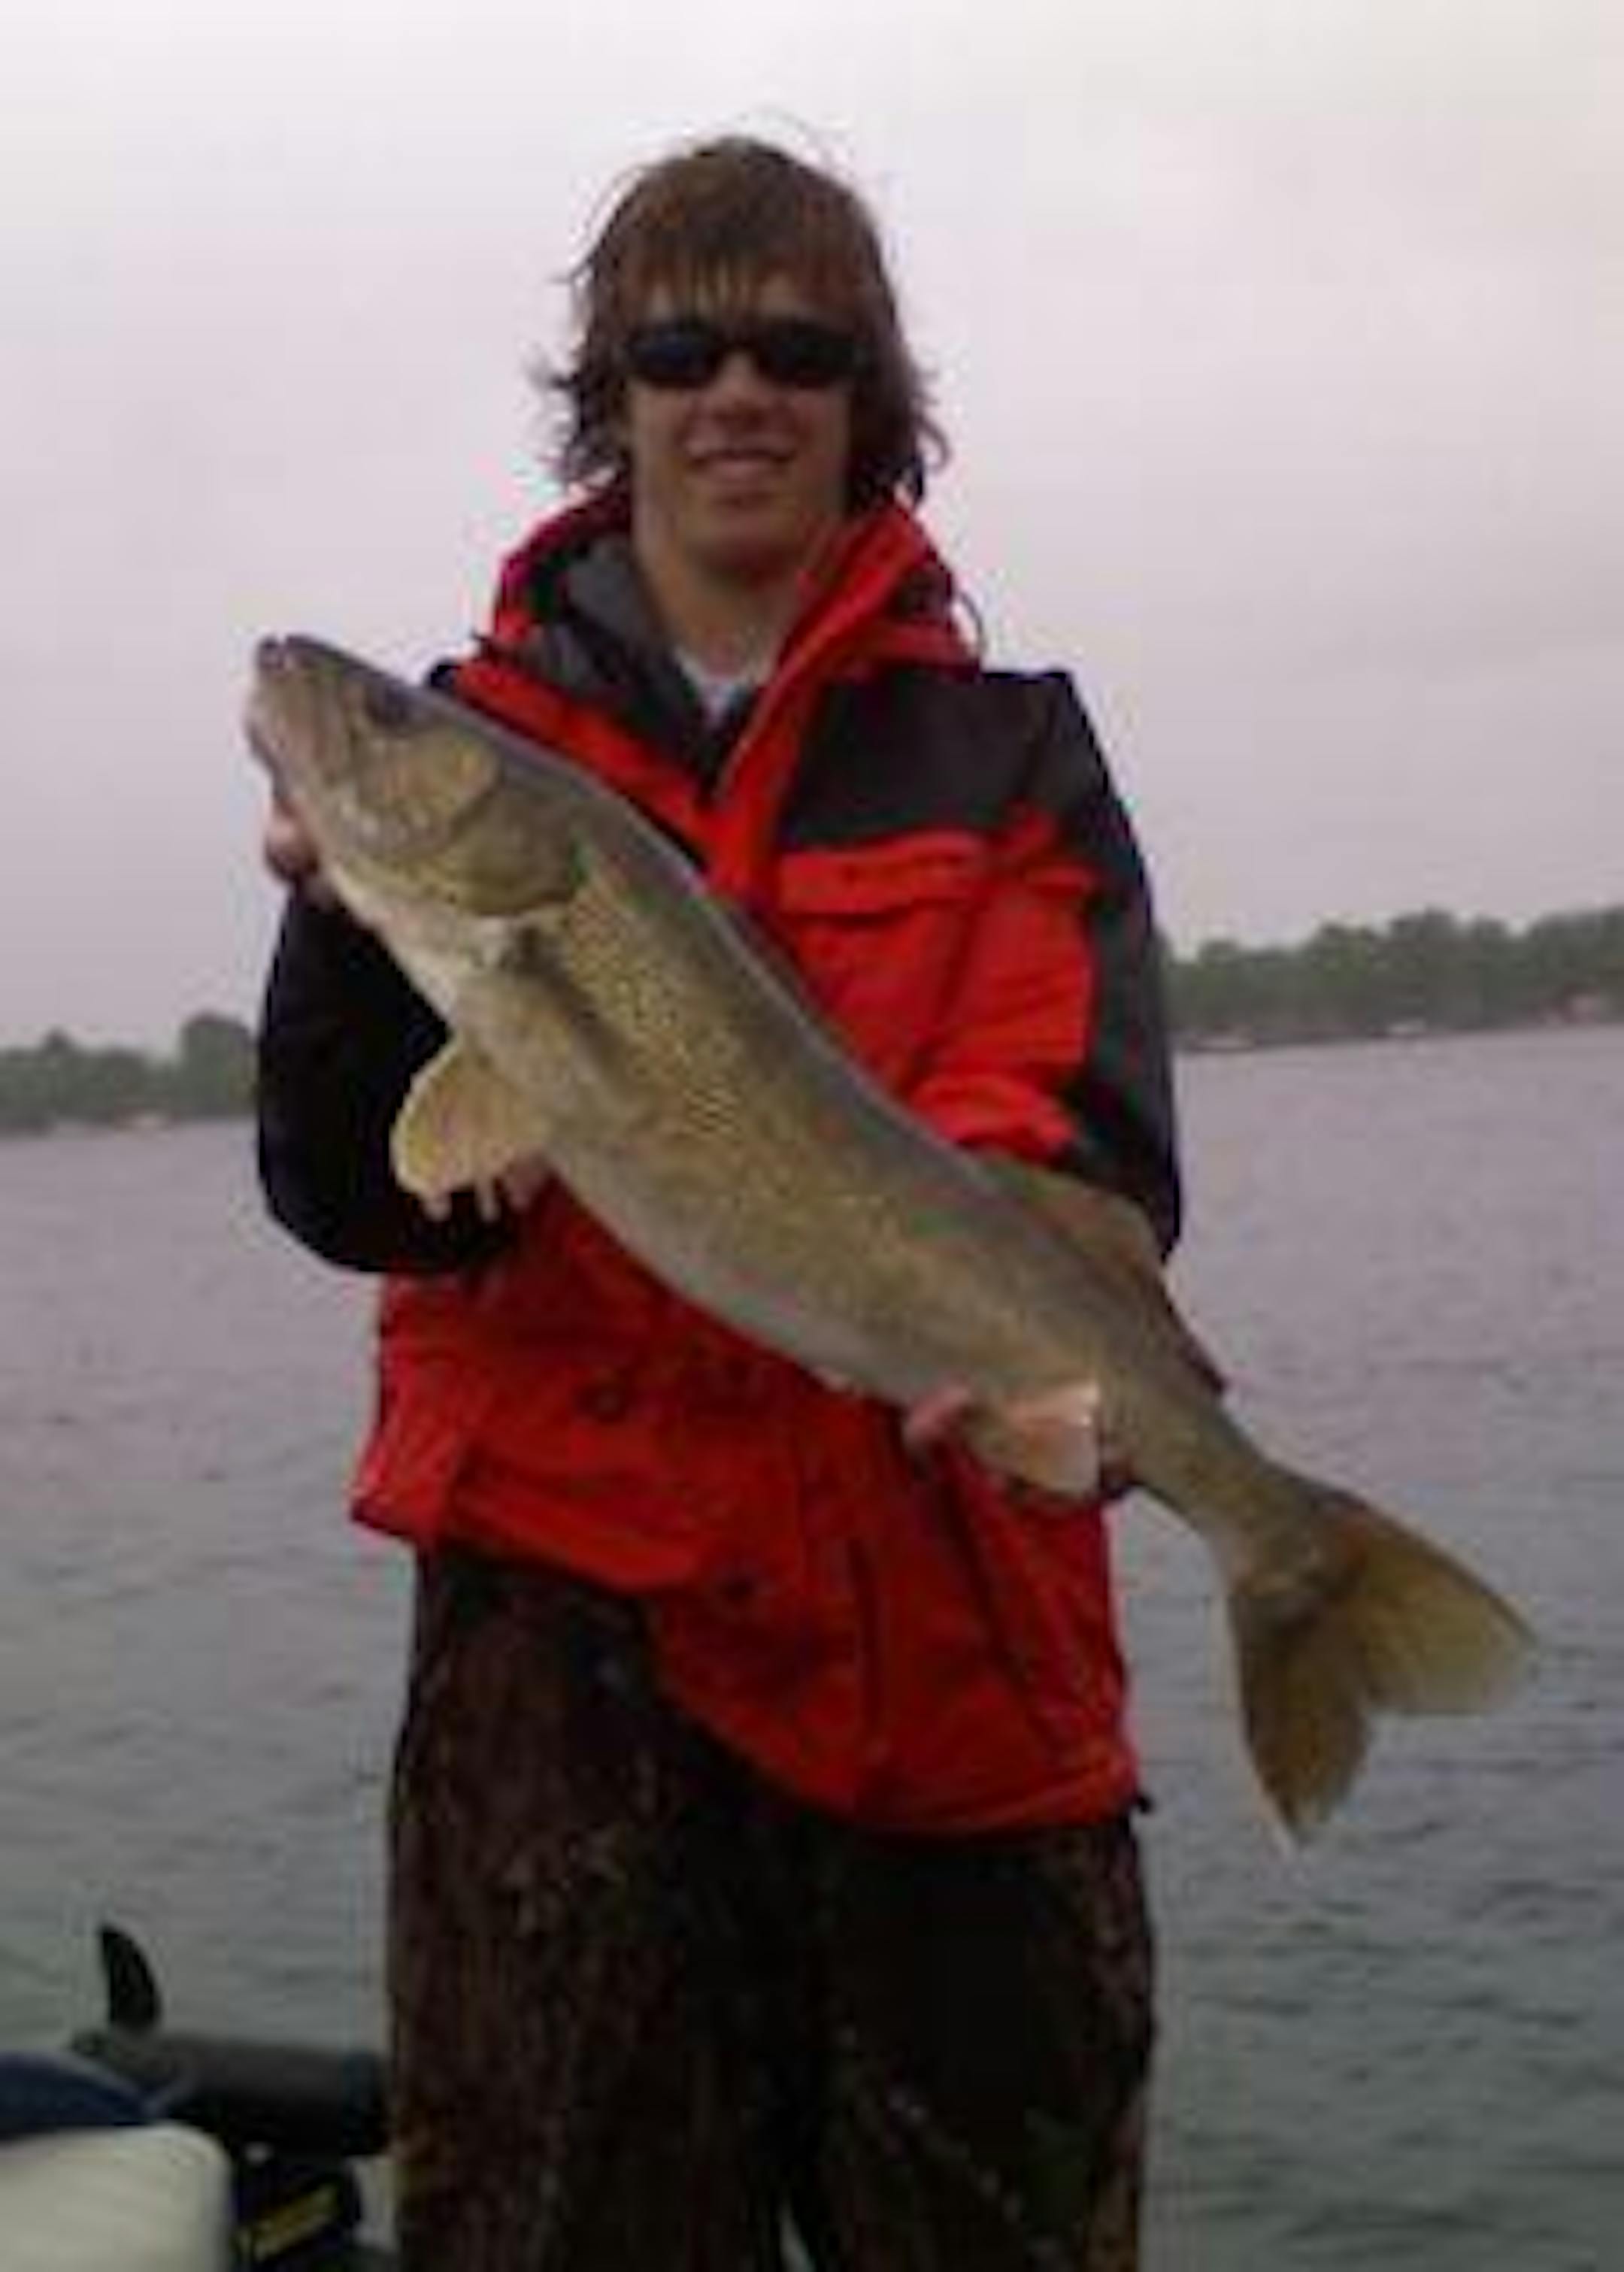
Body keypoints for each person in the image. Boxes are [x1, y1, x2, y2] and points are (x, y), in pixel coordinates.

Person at [253, 134, 1182, 2272]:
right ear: (614, 395)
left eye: (796, 344)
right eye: (679, 344)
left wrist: (1059, 1384)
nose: (734, 387)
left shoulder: (1015, 754)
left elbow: (1078, 1142)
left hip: (950, 1664)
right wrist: (343, 920)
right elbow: (359, 1200)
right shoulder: (483, 749)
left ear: (873, 396)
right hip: (561, 1688)